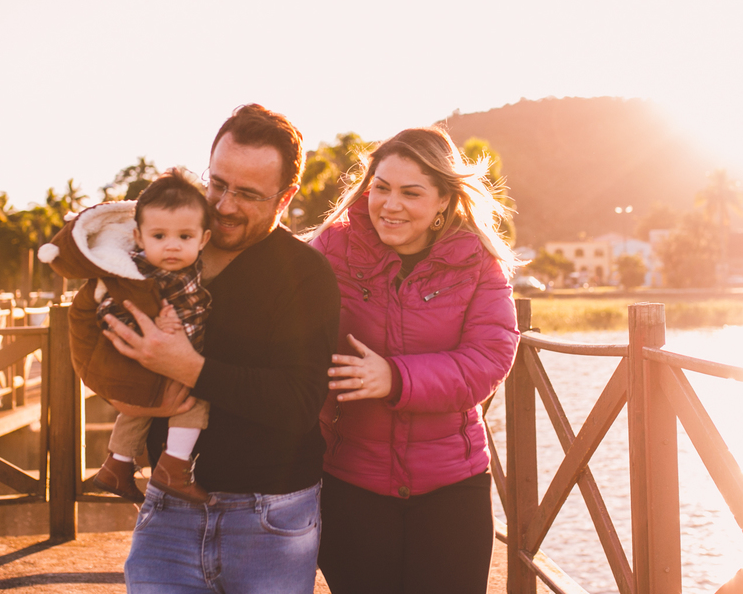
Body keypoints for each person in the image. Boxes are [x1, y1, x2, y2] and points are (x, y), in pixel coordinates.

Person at [103, 104, 340, 594]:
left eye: (249, 194)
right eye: (218, 184)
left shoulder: (307, 276)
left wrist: (188, 368)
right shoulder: (162, 252)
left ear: (286, 196)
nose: (226, 205)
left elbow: (298, 404)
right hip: (166, 511)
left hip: (270, 521)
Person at [308, 126, 520, 594]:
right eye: (380, 188)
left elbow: (489, 358)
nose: (390, 204)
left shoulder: (479, 262)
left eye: (411, 192)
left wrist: (394, 378)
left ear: (443, 200)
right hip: (350, 482)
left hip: (451, 487)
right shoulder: (330, 249)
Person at [37, 168, 215, 503]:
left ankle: (116, 465)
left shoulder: (187, 267)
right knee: (197, 398)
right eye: (159, 236)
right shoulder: (133, 273)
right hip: (140, 354)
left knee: (137, 409)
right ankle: (174, 467)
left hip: (153, 362)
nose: (172, 246)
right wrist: (151, 325)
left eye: (185, 237)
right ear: (139, 237)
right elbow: (108, 310)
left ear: (203, 239)